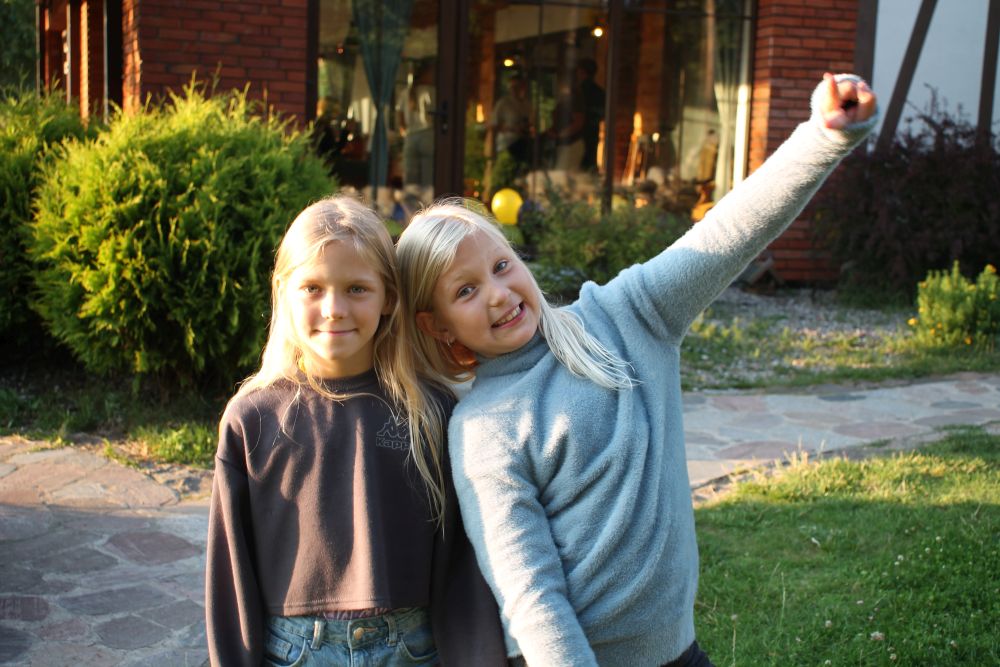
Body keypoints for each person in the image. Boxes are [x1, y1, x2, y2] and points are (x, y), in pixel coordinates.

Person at [395, 73, 877, 666]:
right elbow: (529, 595)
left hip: (680, 652)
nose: (497, 293)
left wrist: (824, 136)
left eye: (501, 265)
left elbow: (726, 234)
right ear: (438, 326)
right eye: (465, 290)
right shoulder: (483, 428)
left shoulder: (628, 316)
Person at [204, 196, 506, 666]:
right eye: (312, 287)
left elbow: (461, 566)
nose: (334, 308)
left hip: (411, 648)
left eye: (357, 288)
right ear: (283, 290)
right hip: (294, 651)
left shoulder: (430, 410)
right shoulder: (253, 418)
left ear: (389, 297)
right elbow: (230, 569)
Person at [487, 72, 533, 166]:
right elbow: (493, 125)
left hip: (523, 144)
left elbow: (531, 123)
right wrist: (512, 129)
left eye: (517, 86)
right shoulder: (503, 103)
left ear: (523, 87)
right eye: (511, 87)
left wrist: (526, 128)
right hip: (507, 144)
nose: (513, 89)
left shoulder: (527, 105)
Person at [576, 57, 605, 171]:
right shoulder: (600, 92)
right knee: (590, 162)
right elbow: (602, 114)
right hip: (593, 132)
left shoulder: (579, 91)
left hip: (579, 134)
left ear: (582, 71)